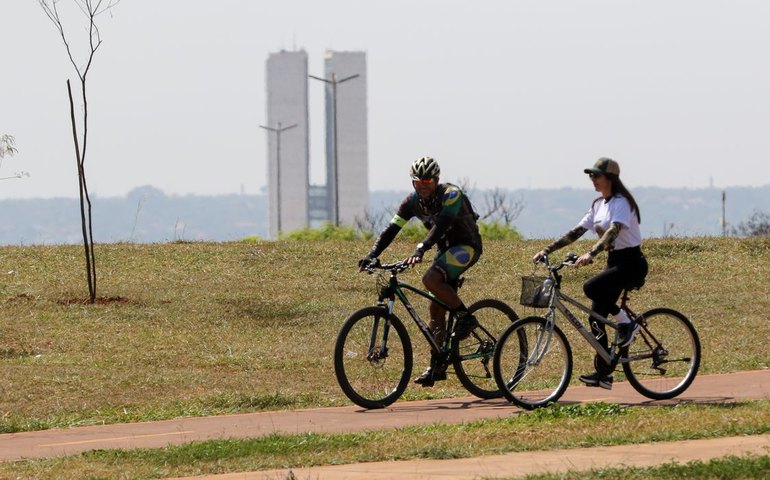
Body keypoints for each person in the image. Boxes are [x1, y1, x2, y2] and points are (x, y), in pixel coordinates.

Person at [359, 156, 483, 387]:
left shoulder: (451, 194)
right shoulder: (411, 202)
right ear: (413, 183)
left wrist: (421, 248)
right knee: (435, 310)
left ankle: (467, 318)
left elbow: (443, 224)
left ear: (436, 180)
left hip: (466, 246)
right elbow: (391, 229)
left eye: (427, 181)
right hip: (444, 250)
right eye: (418, 182)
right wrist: (372, 254)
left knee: (430, 279)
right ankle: (437, 365)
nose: (423, 186)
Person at [532, 157, 648, 390]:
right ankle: (604, 373)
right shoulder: (598, 204)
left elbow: (612, 232)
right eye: (591, 175)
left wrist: (591, 253)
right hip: (615, 262)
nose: (592, 179)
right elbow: (576, 232)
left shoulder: (621, 203)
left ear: (610, 178)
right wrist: (547, 249)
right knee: (596, 317)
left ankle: (627, 324)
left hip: (631, 263)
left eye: (596, 175)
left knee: (590, 287)